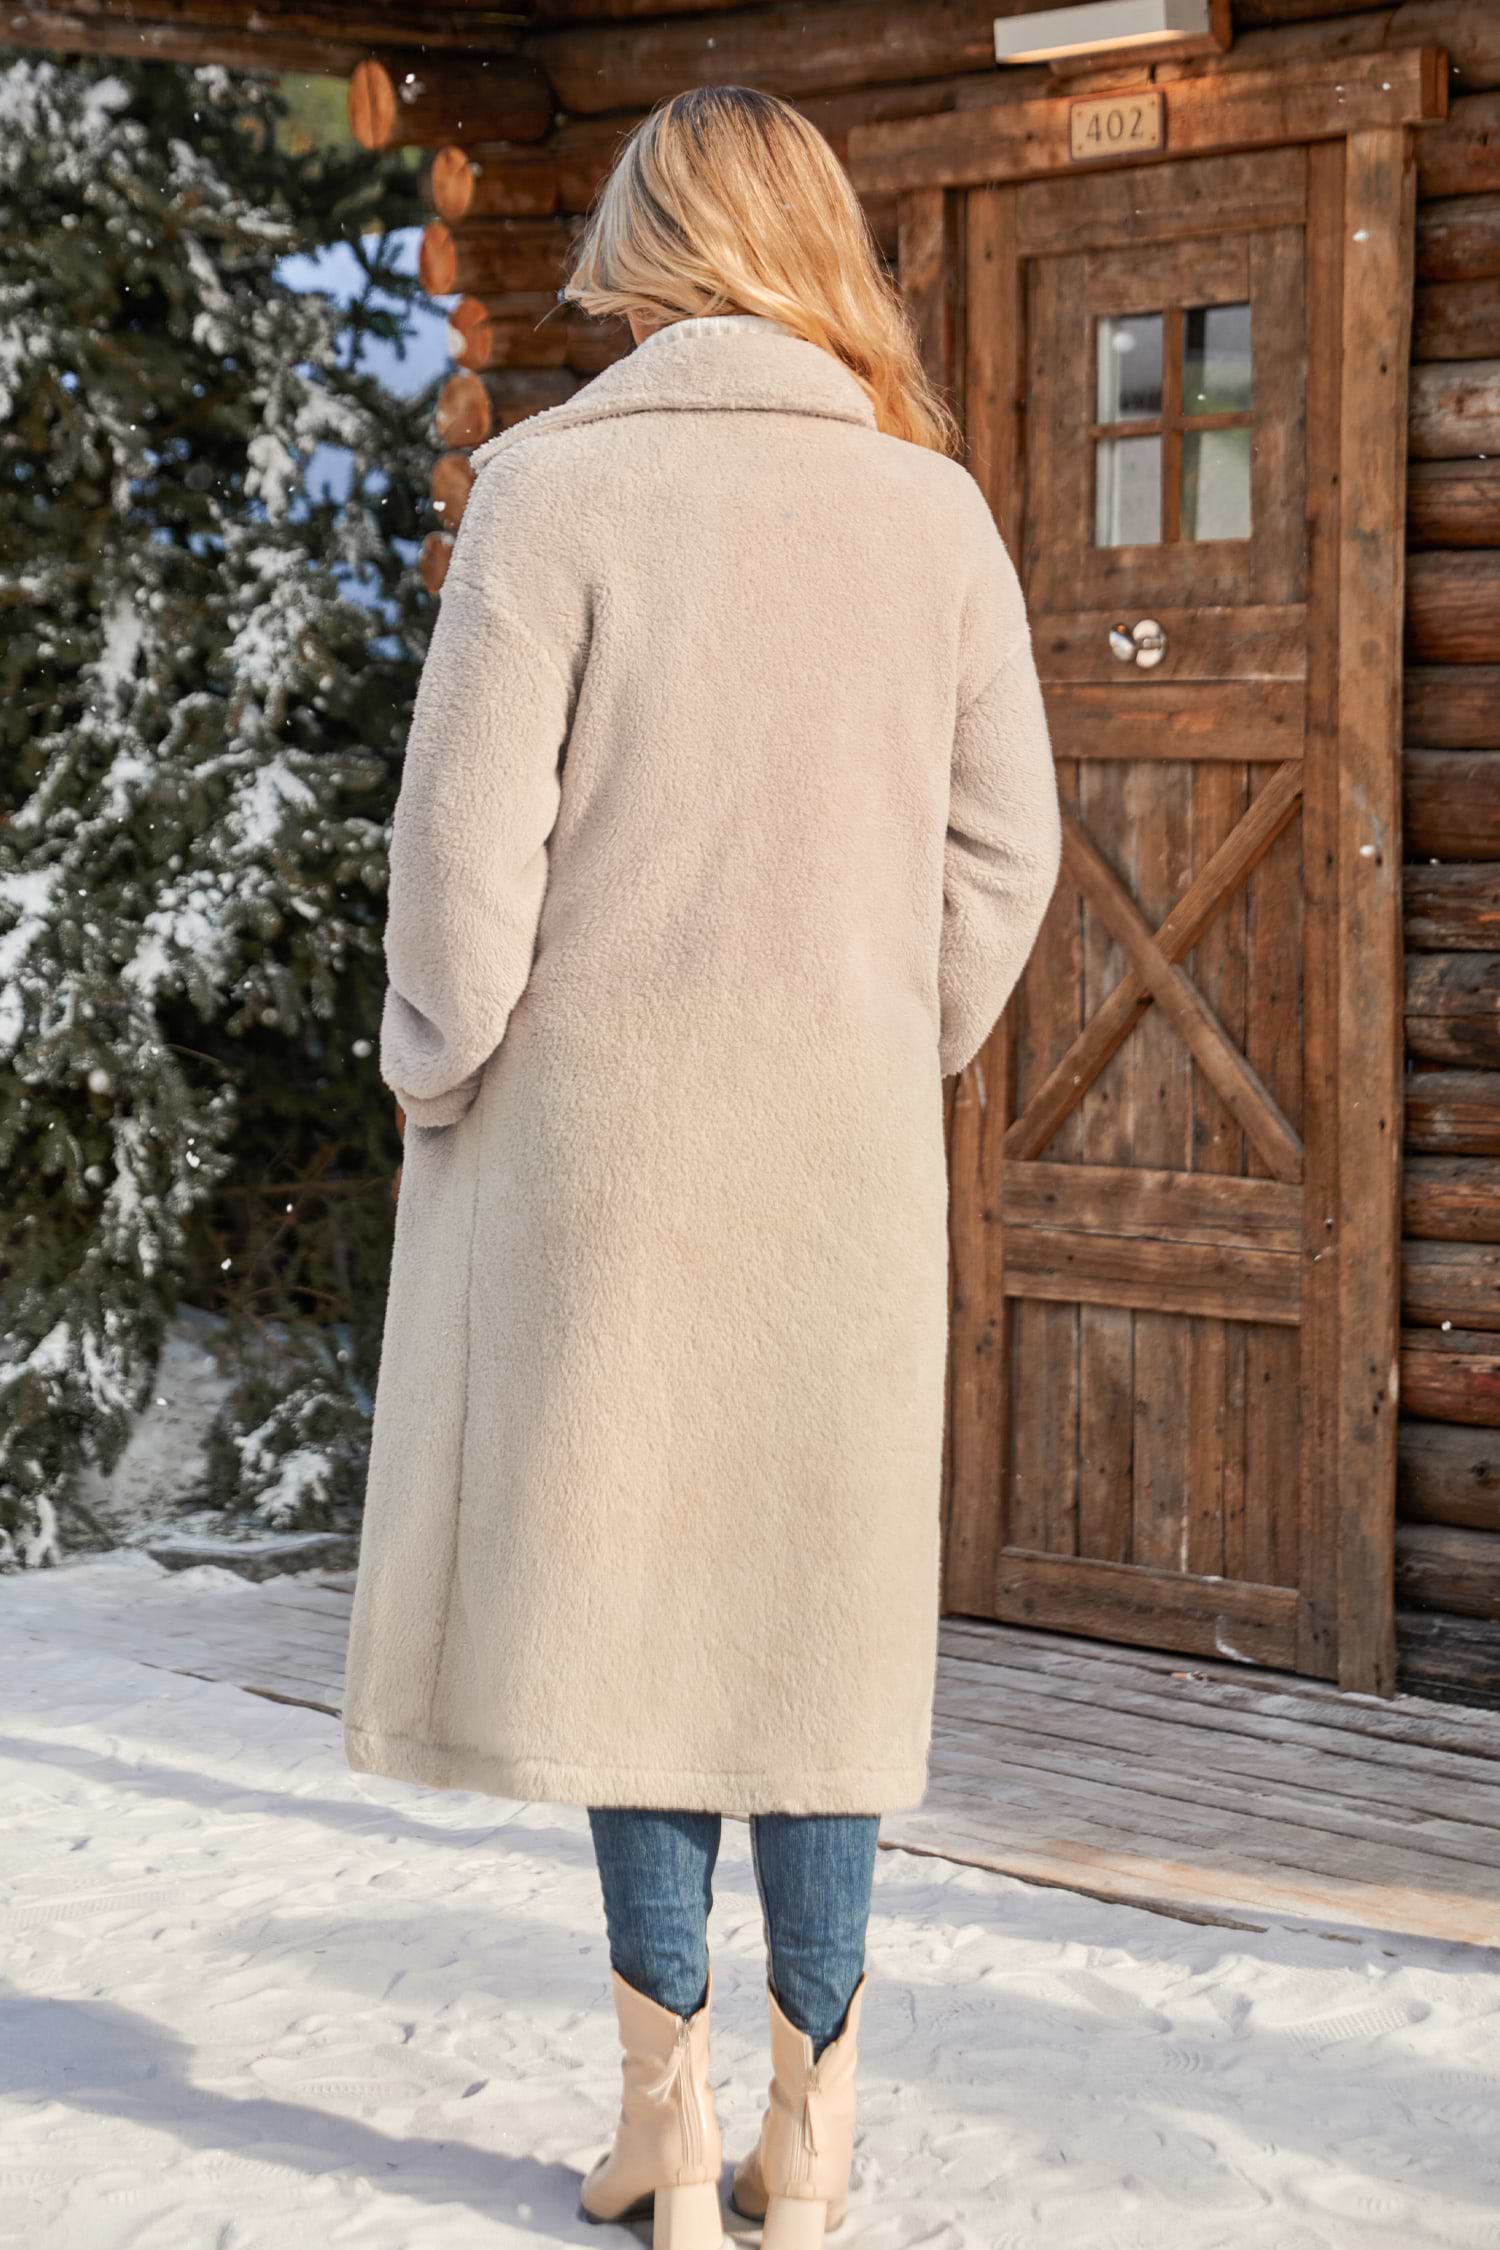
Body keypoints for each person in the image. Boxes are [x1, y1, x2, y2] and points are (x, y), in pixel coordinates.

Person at [343, 85, 1060, 2250]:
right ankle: (810, 2134)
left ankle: (662, 2124)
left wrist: (440, 1067)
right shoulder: (929, 510)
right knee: (816, 1633)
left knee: (632, 1611)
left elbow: (463, 863)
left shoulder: (553, 490)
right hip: (839, 1158)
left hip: (604, 1155)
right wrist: (887, 1038)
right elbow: (1007, 851)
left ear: (651, 245)